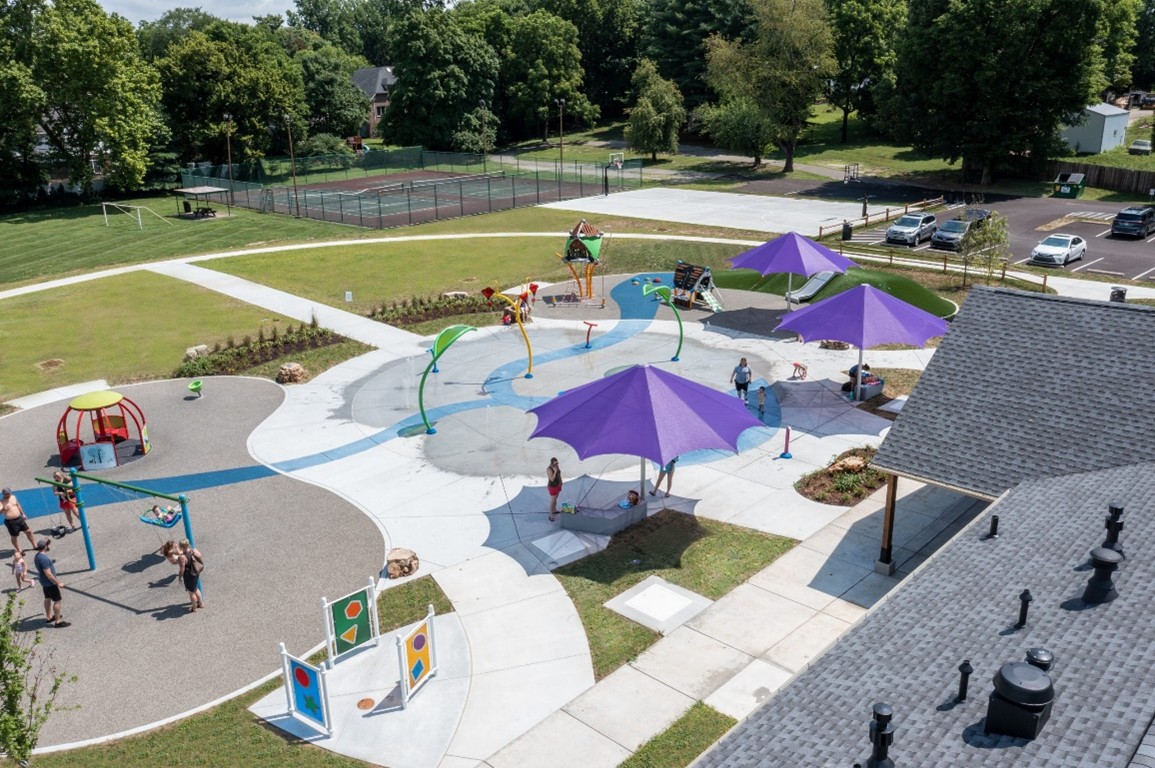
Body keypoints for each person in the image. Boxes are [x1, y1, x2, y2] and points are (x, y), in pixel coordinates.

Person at [33, 538, 68, 627]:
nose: (48, 546)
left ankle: (49, 617)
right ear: (45, 546)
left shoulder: (37, 556)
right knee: (57, 600)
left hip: (44, 582)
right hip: (50, 583)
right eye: (47, 544)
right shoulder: (44, 558)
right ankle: (58, 622)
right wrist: (58, 583)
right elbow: (48, 574)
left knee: (47, 598)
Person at [3, 488, 37, 554]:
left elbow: (18, 505)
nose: (8, 495)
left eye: (9, 493)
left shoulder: (13, 497)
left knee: (29, 531)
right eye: (6, 494)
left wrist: (23, 514)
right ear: (3, 494)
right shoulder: (1, 502)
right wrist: (4, 509)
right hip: (11, 522)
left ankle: (34, 545)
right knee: (14, 536)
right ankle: (19, 550)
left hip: (19, 518)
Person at [178, 540, 205, 613]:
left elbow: (182, 569)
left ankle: (194, 608)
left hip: (189, 575)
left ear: (181, 547)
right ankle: (201, 604)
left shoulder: (182, 557)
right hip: (196, 572)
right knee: (196, 589)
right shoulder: (192, 550)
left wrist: (180, 577)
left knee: (191, 592)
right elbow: (200, 555)